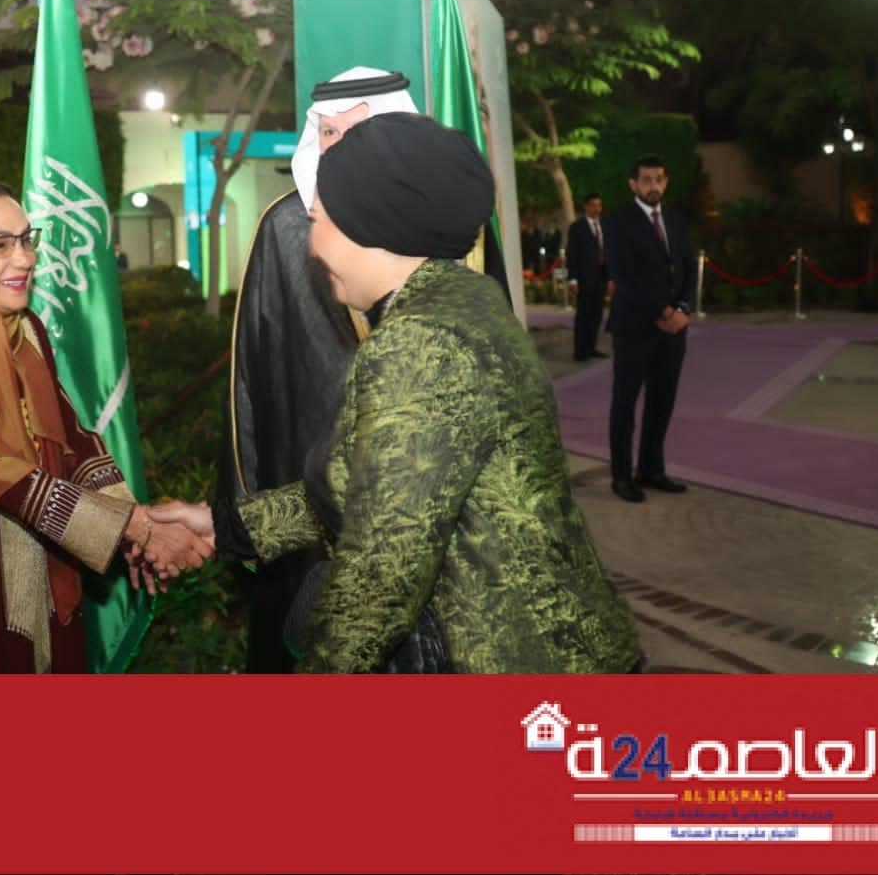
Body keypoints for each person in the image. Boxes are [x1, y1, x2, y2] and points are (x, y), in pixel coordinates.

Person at [158, 115, 641, 673]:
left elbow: (382, 573)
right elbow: (371, 486)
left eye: (317, 221)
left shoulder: (421, 342)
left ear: (369, 222)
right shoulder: (464, 301)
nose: (311, 246)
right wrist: (225, 527)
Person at [0, 179, 209, 673]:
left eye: (27, 240)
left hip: (41, 554)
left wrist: (130, 523)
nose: (25, 258)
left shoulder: (25, 332)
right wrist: (134, 529)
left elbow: (72, 439)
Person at [223, 66, 419, 672]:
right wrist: (239, 512)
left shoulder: (448, 224)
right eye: (327, 133)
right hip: (308, 505)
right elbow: (249, 382)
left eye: (354, 132)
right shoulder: (286, 227)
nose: (336, 148)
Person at [603, 155, 696, 503]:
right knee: (625, 403)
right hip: (634, 327)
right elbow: (623, 276)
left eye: (659, 179)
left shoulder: (674, 219)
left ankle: (651, 470)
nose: (653, 186)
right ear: (633, 184)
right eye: (646, 180)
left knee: (662, 401)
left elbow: (688, 267)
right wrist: (663, 310)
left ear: (666, 182)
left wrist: (684, 309)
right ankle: (621, 476)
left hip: (673, 331)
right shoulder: (617, 222)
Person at [566, 192, 610, 361]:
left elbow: (608, 252)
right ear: (585, 207)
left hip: (601, 278)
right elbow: (572, 255)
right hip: (584, 278)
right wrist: (573, 279)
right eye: (593, 205)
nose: (597, 209)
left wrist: (611, 278)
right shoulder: (577, 228)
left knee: (596, 315)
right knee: (584, 315)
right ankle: (580, 351)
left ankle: (591, 347)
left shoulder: (604, 226)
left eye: (599, 205)